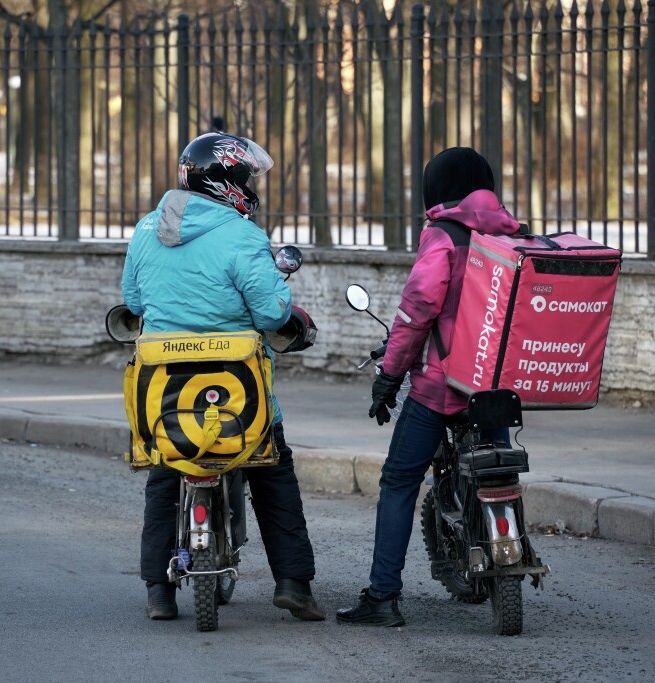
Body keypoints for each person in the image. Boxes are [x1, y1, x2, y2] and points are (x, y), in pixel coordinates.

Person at [121, 131, 325, 622]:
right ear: (228, 181)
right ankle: (294, 584)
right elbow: (272, 312)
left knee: (165, 473)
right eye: (246, 177)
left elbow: (133, 301)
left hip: (165, 393)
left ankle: (159, 591)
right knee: (272, 470)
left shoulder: (147, 229)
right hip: (237, 391)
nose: (251, 186)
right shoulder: (242, 235)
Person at [336, 147, 521, 627]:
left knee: (398, 481)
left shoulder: (444, 235)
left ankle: (382, 597)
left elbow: (418, 311)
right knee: (499, 470)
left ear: (436, 190)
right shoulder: (510, 236)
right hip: (496, 392)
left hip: (442, 389)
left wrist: (389, 378)